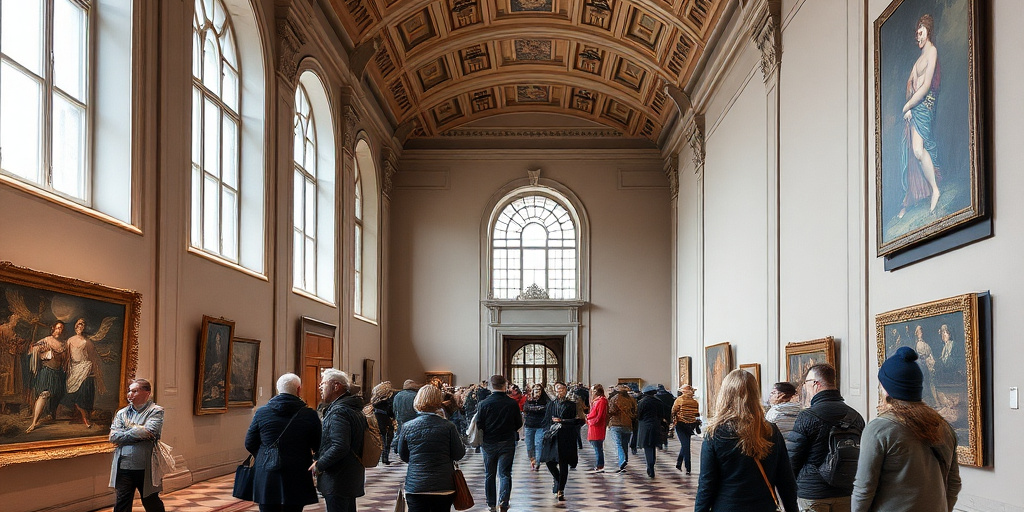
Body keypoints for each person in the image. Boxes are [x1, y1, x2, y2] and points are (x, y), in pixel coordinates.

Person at [852, 346, 961, 511]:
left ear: (886, 390)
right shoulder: (943, 426)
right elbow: (953, 484)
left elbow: (864, 489)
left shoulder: (879, 429)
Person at [694, 370, 799, 512]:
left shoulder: (715, 433)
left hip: (727, 507)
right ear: (755, 395)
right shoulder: (770, 431)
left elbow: (706, 484)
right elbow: (786, 481)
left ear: (725, 395)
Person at [787, 364, 865, 512]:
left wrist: (787, 491)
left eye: (806, 383)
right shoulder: (856, 416)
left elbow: (793, 459)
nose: (805, 388)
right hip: (846, 492)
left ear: (815, 384)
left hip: (813, 494)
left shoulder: (807, 416)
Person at [244, 373, 321, 512]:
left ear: (278, 389)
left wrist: (264, 455)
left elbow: (250, 442)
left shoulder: (262, 412)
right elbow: (318, 444)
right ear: (299, 390)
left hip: (267, 471)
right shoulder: (309, 414)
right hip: (297, 472)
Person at [898, 13, 942, 219]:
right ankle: (918, 194)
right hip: (915, 108)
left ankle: (935, 190)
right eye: (917, 34)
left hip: (924, 107)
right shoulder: (917, 61)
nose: (919, 37)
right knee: (914, 152)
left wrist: (907, 105)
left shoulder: (932, 52)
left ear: (928, 31)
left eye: (921, 32)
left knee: (918, 149)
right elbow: (911, 85)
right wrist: (909, 105)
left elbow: (924, 88)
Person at [397, 384, 467, 512]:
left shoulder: (407, 427)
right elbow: (459, 454)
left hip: (416, 484)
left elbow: (403, 455)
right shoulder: (448, 426)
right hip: (443, 485)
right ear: (438, 401)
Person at [311, 369, 366, 512]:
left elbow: (340, 446)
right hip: (349, 475)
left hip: (338, 478)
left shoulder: (339, 411)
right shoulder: (352, 407)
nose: (320, 387)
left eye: (323, 383)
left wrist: (319, 464)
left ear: (336, 386)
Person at [108, 378, 166, 512]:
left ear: (147, 393)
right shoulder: (122, 413)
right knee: (122, 502)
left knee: (151, 501)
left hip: (146, 465)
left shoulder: (155, 411)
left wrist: (125, 433)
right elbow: (113, 436)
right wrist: (137, 432)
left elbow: (149, 431)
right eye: (129, 391)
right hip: (124, 465)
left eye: (134, 391)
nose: (130, 394)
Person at [474, 374, 523, 512]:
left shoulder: (484, 403)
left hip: (489, 442)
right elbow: (518, 423)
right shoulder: (512, 403)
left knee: (489, 474)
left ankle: (491, 504)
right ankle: (504, 502)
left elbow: (479, 423)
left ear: (490, 386)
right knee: (505, 474)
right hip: (507, 441)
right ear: (505, 385)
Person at [61, 318, 107, 427]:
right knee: (71, 392)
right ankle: (77, 414)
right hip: (73, 368)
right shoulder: (70, 340)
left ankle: (85, 417)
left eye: (82, 326)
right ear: (75, 327)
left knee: (83, 393)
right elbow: (67, 356)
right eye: (78, 325)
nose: (80, 327)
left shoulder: (87, 342)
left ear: (84, 328)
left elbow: (92, 357)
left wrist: (94, 370)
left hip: (85, 367)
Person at [542, 381, 583, 501]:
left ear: (566, 390)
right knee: (549, 462)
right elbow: (546, 420)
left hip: (566, 436)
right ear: (555, 390)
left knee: (563, 462)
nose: (560, 391)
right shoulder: (551, 404)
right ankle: (558, 479)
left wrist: (562, 421)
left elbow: (578, 420)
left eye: (562, 388)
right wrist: (547, 432)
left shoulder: (571, 404)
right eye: (558, 389)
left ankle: (561, 489)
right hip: (553, 437)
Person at [26, 321, 67, 433]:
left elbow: (65, 359)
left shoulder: (63, 344)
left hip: (58, 373)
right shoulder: (47, 340)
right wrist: (40, 351)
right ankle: (34, 422)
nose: (59, 330)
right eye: (58, 328)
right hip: (47, 372)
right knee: (43, 395)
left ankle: (50, 415)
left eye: (61, 328)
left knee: (56, 395)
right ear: (53, 328)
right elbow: (32, 350)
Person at [636, 384, 670, 478]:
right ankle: (652, 464)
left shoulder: (642, 402)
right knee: (653, 446)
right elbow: (662, 414)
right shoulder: (658, 402)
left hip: (645, 426)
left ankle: (650, 466)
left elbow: (639, 415)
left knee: (647, 447)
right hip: (656, 425)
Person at [671, 385, 701, 474]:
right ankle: (679, 463)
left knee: (685, 446)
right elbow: (697, 414)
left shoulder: (679, 400)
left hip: (680, 424)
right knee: (686, 444)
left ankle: (688, 467)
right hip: (691, 425)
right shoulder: (695, 402)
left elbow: (673, 411)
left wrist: (673, 420)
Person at [606, 384, 636, 473]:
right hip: (627, 424)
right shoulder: (631, 399)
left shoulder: (614, 398)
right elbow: (635, 411)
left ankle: (622, 460)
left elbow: (611, 411)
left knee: (618, 444)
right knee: (625, 444)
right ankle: (625, 459)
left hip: (616, 423)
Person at [522, 383, 550, 471]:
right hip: (529, 425)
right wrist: (538, 408)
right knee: (529, 445)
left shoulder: (545, 400)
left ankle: (537, 462)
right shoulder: (529, 399)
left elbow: (547, 408)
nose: (537, 392)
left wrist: (535, 408)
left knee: (539, 443)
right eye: (535, 390)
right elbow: (526, 408)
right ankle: (532, 459)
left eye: (539, 390)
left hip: (541, 425)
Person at [369, 381, 396, 465]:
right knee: (387, 437)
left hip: (376, 417)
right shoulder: (388, 397)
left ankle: (379, 457)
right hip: (385, 418)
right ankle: (385, 457)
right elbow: (390, 410)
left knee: (380, 438)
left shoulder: (375, 398)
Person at [585, 383, 608, 472]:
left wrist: (588, 418)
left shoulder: (601, 401)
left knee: (598, 447)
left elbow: (598, 415)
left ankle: (600, 465)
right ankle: (599, 464)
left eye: (593, 391)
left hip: (597, 426)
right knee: (597, 447)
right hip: (595, 425)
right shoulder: (598, 400)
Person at [392, 379, 420, 453]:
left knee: (399, 433)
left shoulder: (397, 396)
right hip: (412, 418)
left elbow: (394, 408)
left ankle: (397, 447)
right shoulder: (415, 395)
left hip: (400, 419)